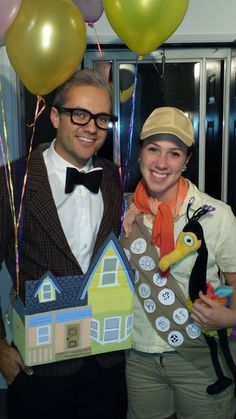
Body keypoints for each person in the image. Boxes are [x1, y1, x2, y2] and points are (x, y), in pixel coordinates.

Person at [0, 69, 127, 419]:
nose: (91, 127)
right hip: (39, 368)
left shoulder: (113, 179)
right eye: (80, 114)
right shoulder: (12, 181)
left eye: (101, 118)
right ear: (55, 116)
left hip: (107, 363)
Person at [120, 106, 236, 419]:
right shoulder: (122, 211)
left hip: (200, 359)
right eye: (153, 149)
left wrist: (230, 317)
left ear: (186, 161)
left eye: (174, 153)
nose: (161, 163)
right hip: (139, 358)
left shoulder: (217, 216)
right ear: (141, 153)